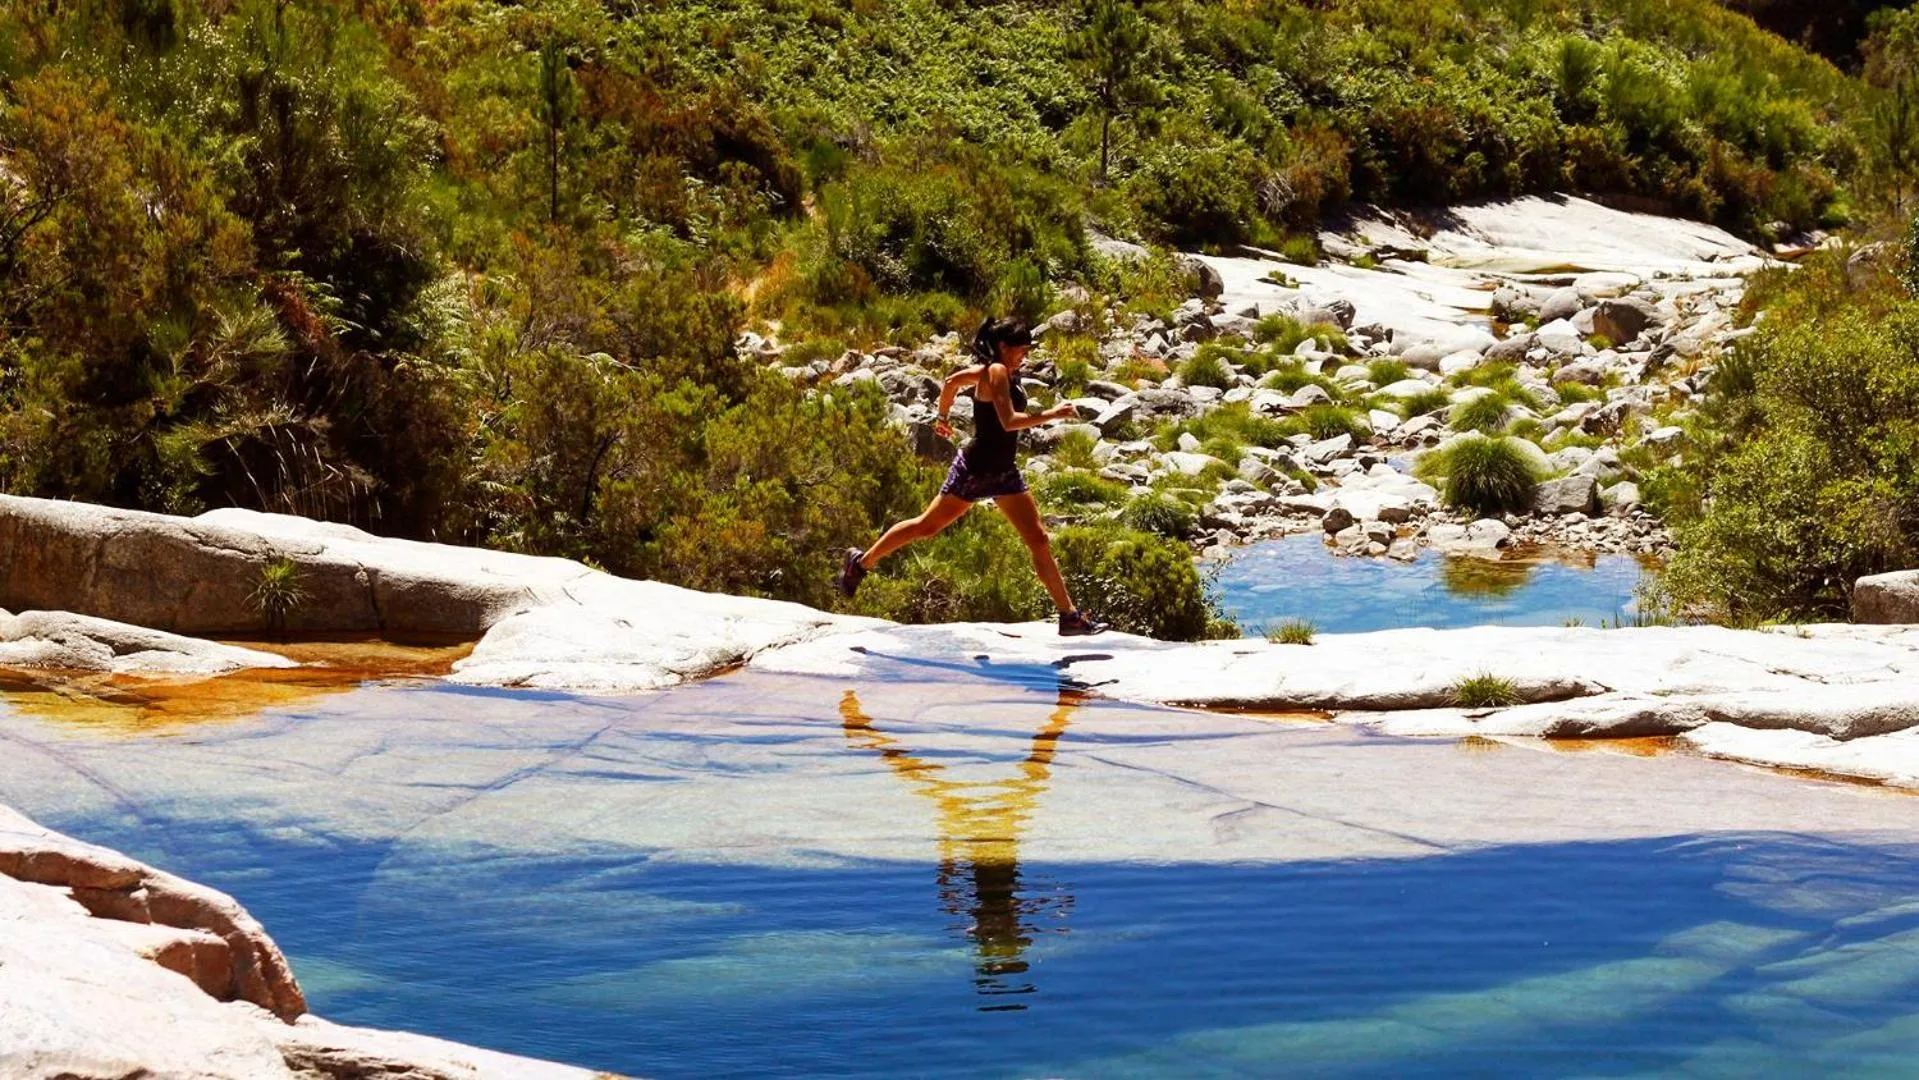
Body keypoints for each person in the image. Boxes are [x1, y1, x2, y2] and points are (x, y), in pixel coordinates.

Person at [837, 317, 1108, 636]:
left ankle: (1069, 616)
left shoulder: (1002, 371)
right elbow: (1007, 421)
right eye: (1021, 350)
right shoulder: (993, 372)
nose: (1025, 355)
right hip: (976, 470)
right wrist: (1053, 414)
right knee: (926, 526)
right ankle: (860, 564)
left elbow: (951, 382)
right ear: (1004, 347)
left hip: (1004, 471)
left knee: (1038, 539)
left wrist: (943, 418)